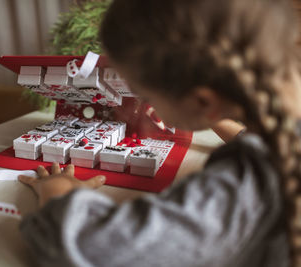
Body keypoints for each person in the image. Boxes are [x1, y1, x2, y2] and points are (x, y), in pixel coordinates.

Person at [18, 0, 301, 266]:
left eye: (143, 93)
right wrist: (217, 118)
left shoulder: (237, 191)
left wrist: (59, 192)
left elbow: (93, 246)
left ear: (202, 101)